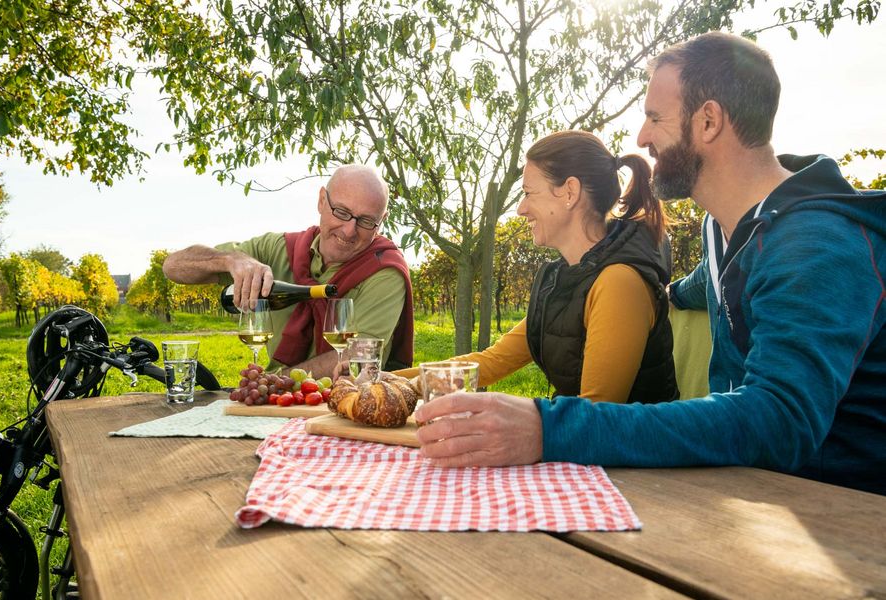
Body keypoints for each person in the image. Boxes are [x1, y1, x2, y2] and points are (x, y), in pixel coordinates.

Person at [415, 32, 886, 496]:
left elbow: (781, 421)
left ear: (708, 122)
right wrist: (658, 297)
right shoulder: (723, 231)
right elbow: (705, 286)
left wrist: (548, 426)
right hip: (752, 495)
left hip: (843, 515)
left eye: (655, 118)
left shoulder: (819, 244)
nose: (641, 138)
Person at [397, 130, 679, 404]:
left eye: (529, 193)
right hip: (578, 444)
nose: (521, 208)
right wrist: (390, 381)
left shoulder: (619, 283)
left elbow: (596, 415)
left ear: (570, 191)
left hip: (622, 450)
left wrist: (516, 415)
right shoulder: (560, 279)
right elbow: (492, 362)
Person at [163, 164, 414, 375]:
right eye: (341, 212)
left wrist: (279, 381)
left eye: (366, 221)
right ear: (321, 201)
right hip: (274, 404)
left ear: (381, 222)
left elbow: (359, 353)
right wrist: (230, 259)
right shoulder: (278, 249)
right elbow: (173, 267)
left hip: (343, 408)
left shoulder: (385, 270)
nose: (349, 230)